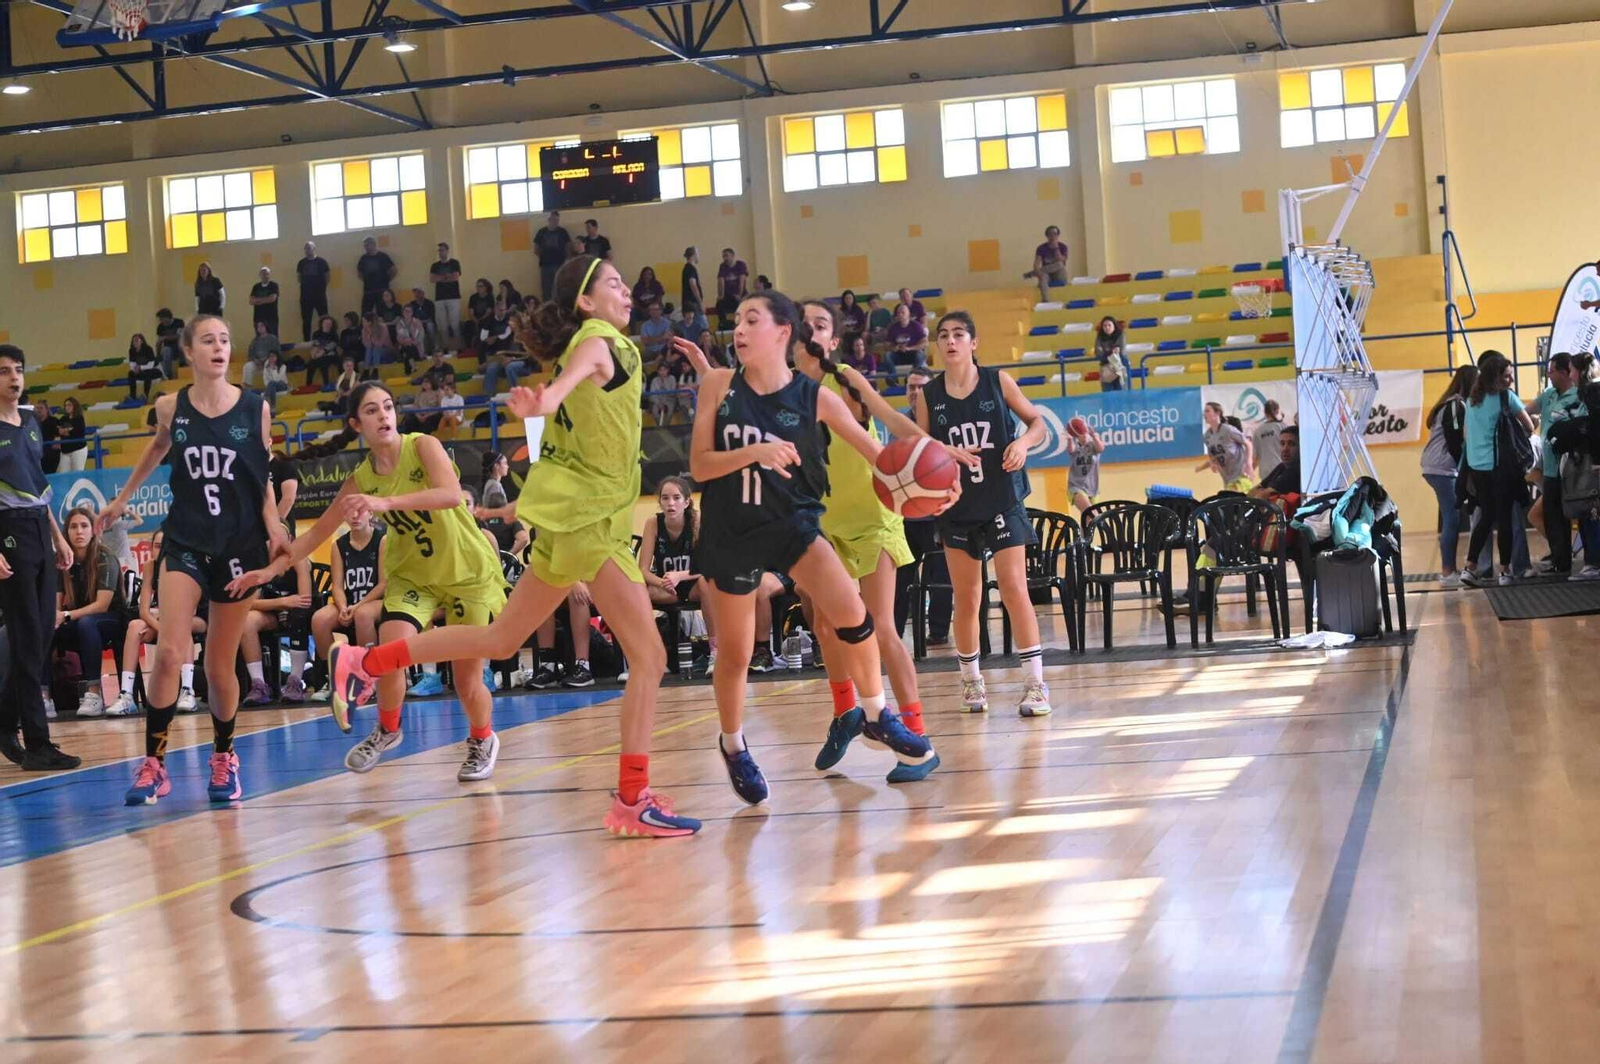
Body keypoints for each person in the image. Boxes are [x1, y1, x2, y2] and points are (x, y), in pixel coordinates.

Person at [322, 255, 701, 837]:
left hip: (576, 520)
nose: (627, 291)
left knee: (501, 641)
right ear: (586, 302)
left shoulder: (597, 344)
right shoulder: (601, 341)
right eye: (614, 284)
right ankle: (632, 798)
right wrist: (543, 403)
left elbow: (568, 386)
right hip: (588, 524)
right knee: (649, 659)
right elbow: (567, 383)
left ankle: (364, 661)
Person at [686, 290, 935, 806]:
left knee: (853, 613)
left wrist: (929, 481)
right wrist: (755, 451)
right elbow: (701, 467)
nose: (738, 327)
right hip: (730, 528)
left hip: (791, 521)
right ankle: (733, 746)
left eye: (751, 318)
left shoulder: (815, 396)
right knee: (734, 654)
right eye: (736, 319)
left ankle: (874, 713)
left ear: (782, 333)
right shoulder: (716, 384)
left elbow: (878, 454)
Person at [231, 382, 503, 780]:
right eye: (373, 411)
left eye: (389, 407)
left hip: (467, 573)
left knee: (466, 680)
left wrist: (385, 502)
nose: (384, 416)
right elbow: (315, 535)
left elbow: (448, 495)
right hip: (415, 575)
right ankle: (388, 729)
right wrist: (270, 571)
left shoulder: (422, 446)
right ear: (357, 423)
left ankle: (482, 738)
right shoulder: (361, 478)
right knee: (391, 646)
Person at [99, 314, 289, 805]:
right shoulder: (170, 407)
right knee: (166, 651)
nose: (219, 347)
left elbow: (261, 477)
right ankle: (154, 765)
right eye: (208, 340)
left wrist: (274, 527)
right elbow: (157, 447)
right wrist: (122, 499)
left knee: (219, 666)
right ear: (190, 353)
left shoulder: (255, 408)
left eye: (225, 340)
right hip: (185, 540)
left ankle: (225, 756)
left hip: (239, 547)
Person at [786, 300, 974, 780]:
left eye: (822, 324)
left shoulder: (844, 378)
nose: (812, 330)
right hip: (823, 521)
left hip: (872, 516)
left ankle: (917, 736)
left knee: (880, 627)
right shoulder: (781, 390)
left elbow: (891, 421)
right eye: (804, 322)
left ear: (832, 340)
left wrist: (940, 452)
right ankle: (847, 712)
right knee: (826, 628)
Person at [917, 311, 1052, 717]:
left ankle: (1035, 684)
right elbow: (921, 444)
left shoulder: (998, 381)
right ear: (937, 345)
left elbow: (1037, 422)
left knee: (1013, 587)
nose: (951, 341)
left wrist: (1024, 443)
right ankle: (972, 681)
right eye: (944, 335)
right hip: (956, 505)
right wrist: (943, 452)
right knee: (968, 597)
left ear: (973, 343)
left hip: (1001, 497)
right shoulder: (929, 395)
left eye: (959, 334)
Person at [0, 345, 80, 771]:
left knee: (42, 634)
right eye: (4, 372)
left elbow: (38, 485)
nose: (14, 378)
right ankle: (37, 743)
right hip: (8, 534)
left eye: (18, 370)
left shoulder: (30, 423)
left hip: (39, 530)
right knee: (27, 637)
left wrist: (59, 537)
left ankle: (4, 718)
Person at [103, 530, 205, 717]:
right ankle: (127, 695)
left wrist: (165, 623)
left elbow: (190, 610)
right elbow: (143, 611)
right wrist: (164, 628)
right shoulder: (151, 566)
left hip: (196, 618)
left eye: (166, 545)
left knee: (182, 624)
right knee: (135, 626)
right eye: (157, 546)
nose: (162, 550)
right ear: (151, 549)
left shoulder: (187, 565)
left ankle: (187, 691)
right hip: (163, 620)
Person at [1460, 350, 1535, 587]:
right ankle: (1505, 571)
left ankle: (1470, 567)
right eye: (1507, 376)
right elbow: (1530, 426)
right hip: (1500, 467)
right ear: (1496, 377)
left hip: (1477, 467)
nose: (1510, 380)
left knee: (1485, 518)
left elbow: (1466, 434)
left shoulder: (1472, 400)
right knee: (1504, 519)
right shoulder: (1506, 397)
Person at [893, 367, 952, 644]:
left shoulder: (943, 421)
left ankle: (938, 632)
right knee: (899, 579)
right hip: (906, 517)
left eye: (921, 387)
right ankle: (893, 633)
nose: (915, 392)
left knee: (940, 576)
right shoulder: (898, 426)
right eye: (911, 387)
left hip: (938, 516)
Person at [52, 504, 127, 718]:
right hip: (79, 621)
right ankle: (43, 697)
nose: (79, 531)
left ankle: (94, 694)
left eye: (84, 526)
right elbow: (57, 603)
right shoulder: (62, 562)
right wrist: (55, 617)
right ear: (66, 532)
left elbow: (102, 606)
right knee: (46, 627)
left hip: (112, 621)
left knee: (88, 623)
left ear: (93, 530)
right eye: (73, 527)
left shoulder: (105, 557)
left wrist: (65, 615)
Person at [638, 475, 714, 666]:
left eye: (676, 498)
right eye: (665, 498)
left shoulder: (697, 521)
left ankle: (715, 650)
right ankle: (648, 657)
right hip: (668, 587)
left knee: (708, 583)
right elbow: (643, 570)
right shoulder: (653, 524)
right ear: (660, 502)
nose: (671, 503)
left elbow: (708, 564)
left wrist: (680, 576)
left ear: (687, 502)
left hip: (693, 584)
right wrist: (663, 582)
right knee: (637, 593)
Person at [309, 512, 387, 692]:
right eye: (350, 512)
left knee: (363, 615)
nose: (355, 516)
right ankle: (335, 678)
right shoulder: (339, 545)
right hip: (350, 602)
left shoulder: (382, 540)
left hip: (377, 600)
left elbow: (384, 583)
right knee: (319, 619)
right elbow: (337, 585)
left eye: (360, 511)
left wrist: (357, 606)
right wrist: (343, 607)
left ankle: (369, 677)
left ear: (370, 513)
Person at [1528, 352, 1590, 576]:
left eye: (1552, 370)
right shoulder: (1548, 395)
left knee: (1575, 512)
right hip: (1551, 470)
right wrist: (1529, 422)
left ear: (1566, 373)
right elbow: (1526, 411)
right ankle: (1560, 560)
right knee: (1552, 516)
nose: (1549, 374)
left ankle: (1581, 559)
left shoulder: (1578, 397)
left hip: (1572, 469)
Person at [239, 532, 312, 705]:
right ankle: (259, 685)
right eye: (272, 537)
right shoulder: (260, 562)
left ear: (290, 539)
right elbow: (249, 604)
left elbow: (304, 599)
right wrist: (282, 602)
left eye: (281, 536)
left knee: (298, 613)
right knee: (246, 621)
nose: (276, 541)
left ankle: (295, 681)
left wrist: (287, 604)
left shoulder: (298, 559)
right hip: (275, 612)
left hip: (300, 613)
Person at [1420, 364, 1476, 587]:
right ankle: (1447, 572)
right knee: (1451, 518)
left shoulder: (1452, 403)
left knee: (1451, 516)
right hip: (1441, 467)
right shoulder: (1455, 404)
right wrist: (1466, 467)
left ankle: (1448, 570)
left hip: (1438, 466)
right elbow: (1455, 441)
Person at [1197, 401, 1254, 493]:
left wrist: (1248, 464)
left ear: (1217, 413)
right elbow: (1211, 455)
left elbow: (1248, 444)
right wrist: (1212, 463)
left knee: (1233, 501)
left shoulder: (1228, 430)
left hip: (1241, 475)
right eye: (1204, 411)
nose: (1204, 414)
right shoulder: (1206, 436)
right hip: (1227, 478)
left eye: (1207, 411)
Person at [1066, 419, 1106, 516]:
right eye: (1081, 434)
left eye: (1086, 434)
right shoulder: (1076, 447)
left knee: (1087, 520)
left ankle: (1082, 531)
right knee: (1092, 515)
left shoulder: (1093, 446)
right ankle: (1107, 530)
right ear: (1077, 436)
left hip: (1093, 488)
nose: (1084, 436)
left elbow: (1101, 448)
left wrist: (1095, 437)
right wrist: (1070, 439)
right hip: (1076, 487)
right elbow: (1070, 450)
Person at [430, 242, 464, 351]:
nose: (440, 252)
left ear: (447, 251)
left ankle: (459, 347)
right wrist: (447, 277)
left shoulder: (454, 263)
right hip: (439, 298)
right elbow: (432, 279)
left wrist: (440, 277)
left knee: (455, 324)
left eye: (442, 250)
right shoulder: (435, 265)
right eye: (439, 250)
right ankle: (445, 348)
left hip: (453, 297)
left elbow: (455, 277)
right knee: (442, 326)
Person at [1250, 425, 1301, 497]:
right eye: (1282, 444)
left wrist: (1263, 491)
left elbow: (1261, 496)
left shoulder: (1297, 470)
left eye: (1291, 444)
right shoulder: (1282, 466)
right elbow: (1251, 492)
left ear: (1301, 447)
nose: (1285, 449)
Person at [295, 241, 331, 342]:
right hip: (305, 297)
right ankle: (306, 341)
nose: (307, 250)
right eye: (305, 248)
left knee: (325, 319)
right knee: (306, 321)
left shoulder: (322, 262)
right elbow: (299, 278)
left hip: (320, 296)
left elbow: (327, 277)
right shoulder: (301, 263)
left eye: (309, 248)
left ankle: (327, 340)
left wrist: (320, 287)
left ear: (314, 248)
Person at [1025, 225, 1070, 305]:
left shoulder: (1063, 247)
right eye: (1050, 234)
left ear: (1058, 235)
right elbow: (1036, 264)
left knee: (1059, 264)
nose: (1053, 236)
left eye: (1055, 234)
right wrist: (1038, 272)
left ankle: (1032, 273)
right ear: (1047, 236)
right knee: (1042, 276)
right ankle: (1045, 301)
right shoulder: (1041, 248)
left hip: (1059, 275)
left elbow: (1062, 260)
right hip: (1047, 275)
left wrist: (1056, 248)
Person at [884, 302, 928, 381]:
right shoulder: (893, 328)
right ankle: (893, 378)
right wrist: (894, 348)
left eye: (903, 312)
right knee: (887, 355)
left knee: (920, 354)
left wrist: (909, 348)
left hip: (912, 353)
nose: (900, 314)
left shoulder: (916, 326)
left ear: (908, 314)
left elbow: (925, 343)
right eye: (899, 313)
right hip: (898, 354)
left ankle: (911, 377)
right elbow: (886, 345)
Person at [534, 211, 572, 301]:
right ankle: (547, 309)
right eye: (554, 220)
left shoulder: (563, 232)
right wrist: (544, 257)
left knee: (559, 287)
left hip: (560, 264)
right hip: (545, 265)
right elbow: (536, 249)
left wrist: (567, 260)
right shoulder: (541, 232)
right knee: (546, 289)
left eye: (557, 220)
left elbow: (568, 247)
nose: (555, 222)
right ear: (549, 219)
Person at [356, 236, 396, 315]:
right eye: (364, 246)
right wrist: (367, 281)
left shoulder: (383, 256)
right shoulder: (363, 258)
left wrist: (387, 279)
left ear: (373, 244)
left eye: (367, 245)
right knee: (366, 313)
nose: (365, 247)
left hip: (382, 290)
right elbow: (359, 273)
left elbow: (393, 270)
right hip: (368, 290)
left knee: (383, 313)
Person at [714, 247, 749, 327]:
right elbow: (720, 281)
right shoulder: (722, 266)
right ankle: (724, 324)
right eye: (723, 256)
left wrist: (739, 295)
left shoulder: (740, 265)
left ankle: (742, 324)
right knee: (719, 304)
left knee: (742, 305)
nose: (725, 258)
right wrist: (720, 295)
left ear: (732, 256)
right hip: (728, 296)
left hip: (740, 295)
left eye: (726, 256)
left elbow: (742, 281)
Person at [1253, 399, 1287, 476]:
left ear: (1264, 413)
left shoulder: (1258, 431)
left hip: (1265, 472)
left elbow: (1256, 457)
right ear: (1277, 411)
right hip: (1281, 470)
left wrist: (1250, 471)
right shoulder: (1283, 427)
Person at [306, 315, 342, 386]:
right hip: (319, 353)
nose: (327, 325)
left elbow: (332, 346)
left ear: (332, 325)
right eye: (325, 323)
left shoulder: (334, 335)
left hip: (331, 355)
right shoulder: (316, 333)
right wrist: (314, 355)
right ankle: (308, 384)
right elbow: (315, 345)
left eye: (329, 324)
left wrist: (322, 352)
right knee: (311, 363)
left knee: (323, 361)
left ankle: (326, 383)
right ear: (321, 324)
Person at [243, 320, 280, 388]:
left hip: (270, 361)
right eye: (258, 326)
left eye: (262, 326)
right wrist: (255, 360)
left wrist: (265, 361)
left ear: (266, 327)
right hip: (257, 362)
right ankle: (248, 388)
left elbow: (277, 352)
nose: (260, 328)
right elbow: (250, 354)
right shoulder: (255, 341)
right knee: (247, 366)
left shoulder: (272, 338)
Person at [1094, 316, 1128, 392]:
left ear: (1114, 326)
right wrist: (1111, 352)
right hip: (1106, 368)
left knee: (1121, 393)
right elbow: (1098, 352)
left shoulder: (1120, 335)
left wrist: (1106, 353)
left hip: (1120, 366)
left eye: (1109, 325)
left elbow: (1121, 351)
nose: (1107, 327)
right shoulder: (1099, 336)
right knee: (1107, 393)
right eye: (1105, 326)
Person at [126, 333, 162, 400]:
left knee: (147, 373)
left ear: (142, 341)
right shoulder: (131, 351)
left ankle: (145, 395)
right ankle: (132, 395)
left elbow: (151, 364)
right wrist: (134, 369)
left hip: (152, 370)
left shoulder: (148, 349)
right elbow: (132, 363)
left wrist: (140, 367)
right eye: (133, 341)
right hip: (140, 372)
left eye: (137, 340)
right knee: (130, 373)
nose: (135, 342)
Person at [56, 396, 87, 472]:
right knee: (64, 474)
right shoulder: (63, 418)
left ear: (74, 406)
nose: (67, 407)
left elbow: (77, 432)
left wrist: (66, 431)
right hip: (65, 450)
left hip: (78, 449)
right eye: (66, 405)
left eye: (69, 405)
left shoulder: (79, 418)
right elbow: (58, 430)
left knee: (77, 474)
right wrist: (67, 431)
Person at [249, 267, 280, 338]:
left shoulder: (274, 285)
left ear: (269, 275)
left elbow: (272, 299)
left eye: (267, 274)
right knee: (260, 339)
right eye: (263, 274)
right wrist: (265, 300)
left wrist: (258, 300)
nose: (265, 276)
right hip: (258, 318)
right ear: (260, 275)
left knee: (273, 339)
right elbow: (251, 301)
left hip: (271, 318)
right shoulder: (256, 287)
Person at [395, 304, 426, 375]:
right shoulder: (399, 323)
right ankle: (413, 366)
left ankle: (408, 370)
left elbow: (421, 336)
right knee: (407, 348)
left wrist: (412, 342)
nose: (407, 312)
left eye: (409, 311)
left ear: (412, 313)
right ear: (402, 312)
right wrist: (405, 342)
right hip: (404, 346)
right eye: (405, 311)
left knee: (408, 349)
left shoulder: (417, 322)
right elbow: (399, 337)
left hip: (416, 348)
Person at [647, 360, 680, 426]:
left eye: (664, 370)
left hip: (669, 399)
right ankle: (659, 426)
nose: (662, 372)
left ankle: (666, 426)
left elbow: (673, 393)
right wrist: (658, 403)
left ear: (668, 370)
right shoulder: (655, 380)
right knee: (655, 411)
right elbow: (652, 394)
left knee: (670, 410)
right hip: (658, 400)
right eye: (660, 370)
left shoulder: (672, 379)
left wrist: (665, 385)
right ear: (658, 371)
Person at [155, 308, 186, 379]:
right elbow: (159, 341)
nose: (161, 321)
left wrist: (166, 337)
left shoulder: (179, 322)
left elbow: (180, 336)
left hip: (178, 344)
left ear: (167, 317)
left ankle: (183, 366)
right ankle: (168, 375)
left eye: (161, 319)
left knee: (181, 346)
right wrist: (158, 355)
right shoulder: (160, 327)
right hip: (168, 347)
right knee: (166, 351)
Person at [361, 311, 392, 379]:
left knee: (376, 349)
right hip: (371, 350)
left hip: (385, 349)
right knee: (369, 349)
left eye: (364, 321)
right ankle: (366, 370)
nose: (362, 323)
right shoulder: (364, 330)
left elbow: (380, 344)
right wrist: (368, 335)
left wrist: (371, 335)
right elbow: (367, 345)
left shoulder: (383, 327)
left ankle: (375, 370)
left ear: (370, 322)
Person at [408, 287, 438, 353]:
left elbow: (431, 318)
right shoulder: (412, 304)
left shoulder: (429, 303)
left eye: (419, 292)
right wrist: (418, 322)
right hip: (416, 324)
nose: (417, 294)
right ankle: (421, 351)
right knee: (416, 328)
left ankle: (434, 348)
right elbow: (411, 318)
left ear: (423, 293)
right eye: (415, 293)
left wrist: (422, 321)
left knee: (430, 326)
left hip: (428, 322)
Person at [467, 277, 497, 342]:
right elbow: (471, 312)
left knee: (485, 323)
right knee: (467, 325)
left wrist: (480, 320)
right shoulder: (473, 297)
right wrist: (475, 320)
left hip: (486, 318)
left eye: (481, 286)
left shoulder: (490, 297)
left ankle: (483, 342)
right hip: (475, 318)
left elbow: (488, 312)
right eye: (477, 286)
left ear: (486, 287)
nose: (478, 288)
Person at [34, 401, 59, 475]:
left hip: (51, 453)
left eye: (41, 408)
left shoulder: (53, 420)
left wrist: (58, 438)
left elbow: (60, 432)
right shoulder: (33, 422)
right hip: (38, 453)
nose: (39, 410)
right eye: (37, 408)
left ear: (47, 410)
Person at [681, 246, 704, 317]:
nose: (699, 256)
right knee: (702, 325)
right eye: (698, 254)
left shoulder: (687, 268)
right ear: (694, 255)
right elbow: (693, 285)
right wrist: (700, 303)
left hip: (689, 303)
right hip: (693, 304)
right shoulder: (690, 268)